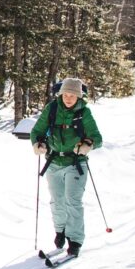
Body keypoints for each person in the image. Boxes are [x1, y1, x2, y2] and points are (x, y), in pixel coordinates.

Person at [29, 76, 102, 258]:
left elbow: (97, 137)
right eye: (65, 94)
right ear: (60, 95)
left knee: (72, 201)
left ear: (79, 97)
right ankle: (60, 232)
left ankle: (75, 240)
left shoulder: (84, 113)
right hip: (54, 162)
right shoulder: (52, 109)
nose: (68, 98)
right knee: (57, 200)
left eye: (72, 95)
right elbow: (37, 131)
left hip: (75, 164)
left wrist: (87, 145)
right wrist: (37, 144)